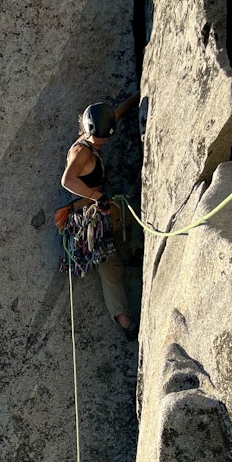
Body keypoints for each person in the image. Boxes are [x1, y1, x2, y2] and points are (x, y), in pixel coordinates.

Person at [60, 96, 138, 338]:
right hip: (89, 218)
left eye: (107, 136)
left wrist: (138, 97)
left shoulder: (97, 126)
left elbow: (117, 113)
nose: (104, 141)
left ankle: (131, 251)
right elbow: (67, 180)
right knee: (108, 264)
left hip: (100, 208)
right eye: (101, 138)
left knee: (127, 217)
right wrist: (96, 197)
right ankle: (125, 322)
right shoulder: (82, 153)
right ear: (89, 130)